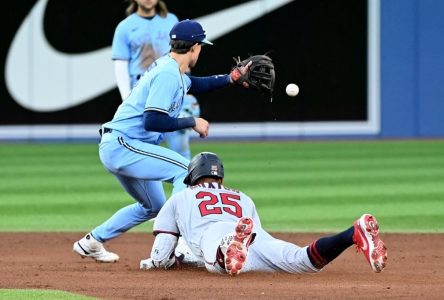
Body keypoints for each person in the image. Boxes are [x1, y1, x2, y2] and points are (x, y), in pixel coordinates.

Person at [72, 19, 252, 263]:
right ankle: (177, 246)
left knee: (153, 206)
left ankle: (93, 241)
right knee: (187, 173)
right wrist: (192, 121)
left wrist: (229, 79)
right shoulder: (168, 74)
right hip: (125, 144)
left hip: (123, 146)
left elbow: (198, 83)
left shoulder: (171, 69)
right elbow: (152, 121)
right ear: (195, 47)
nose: (200, 50)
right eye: (201, 46)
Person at [140, 152, 388, 275]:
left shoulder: (181, 196)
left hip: (215, 234)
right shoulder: (242, 196)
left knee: (218, 262)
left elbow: (161, 256)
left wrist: (173, 260)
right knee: (301, 260)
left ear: (192, 176)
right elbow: (257, 236)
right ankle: (352, 233)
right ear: (221, 176)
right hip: (254, 235)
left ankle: (228, 246)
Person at [112, 0, 199, 160]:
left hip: (170, 91)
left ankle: (184, 184)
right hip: (142, 95)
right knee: (144, 153)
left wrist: (185, 91)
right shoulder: (124, 27)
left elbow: (184, 57)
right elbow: (121, 66)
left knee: (180, 149)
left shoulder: (171, 20)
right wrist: (127, 98)